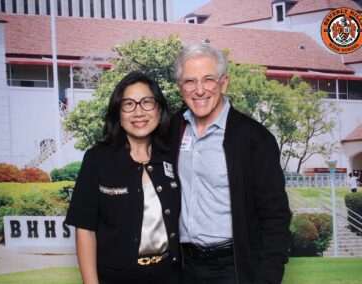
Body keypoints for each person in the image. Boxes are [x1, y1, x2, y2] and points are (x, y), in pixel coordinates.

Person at [169, 44, 292, 284]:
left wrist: (267, 277)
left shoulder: (255, 139)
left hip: (232, 268)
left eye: (208, 80)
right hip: (184, 268)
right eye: (190, 81)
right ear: (180, 88)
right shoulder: (174, 128)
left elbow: (276, 217)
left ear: (224, 83)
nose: (200, 90)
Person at [65, 71, 181, 284]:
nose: (138, 112)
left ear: (159, 109)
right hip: (115, 277)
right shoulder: (97, 160)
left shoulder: (174, 155)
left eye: (147, 102)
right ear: (118, 113)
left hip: (170, 275)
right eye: (128, 104)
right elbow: (85, 230)